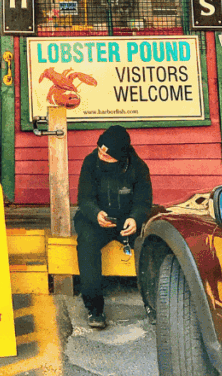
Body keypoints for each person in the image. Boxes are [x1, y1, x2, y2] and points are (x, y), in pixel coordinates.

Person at [74, 125, 152, 330]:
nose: (101, 156)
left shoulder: (139, 168)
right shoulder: (90, 162)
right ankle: (94, 309)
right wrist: (95, 213)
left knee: (149, 247)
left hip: (126, 222)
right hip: (96, 219)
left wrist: (135, 219)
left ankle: (154, 304)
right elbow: (84, 198)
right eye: (100, 150)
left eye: (107, 155)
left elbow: (143, 202)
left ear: (120, 156)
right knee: (86, 244)